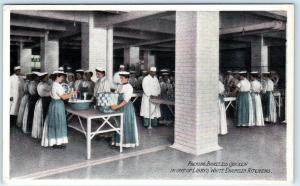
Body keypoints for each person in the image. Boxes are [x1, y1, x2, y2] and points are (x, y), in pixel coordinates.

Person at [41, 71, 76, 148]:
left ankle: (55, 142)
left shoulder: (54, 84)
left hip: (53, 104)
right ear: (57, 77)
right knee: (58, 122)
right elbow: (64, 97)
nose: (63, 78)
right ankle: (57, 143)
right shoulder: (57, 86)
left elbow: (62, 95)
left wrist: (68, 93)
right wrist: (73, 93)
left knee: (55, 122)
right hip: (58, 105)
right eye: (62, 77)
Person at [111, 71, 139, 148]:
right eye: (120, 78)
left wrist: (116, 107)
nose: (121, 79)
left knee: (125, 123)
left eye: (122, 78)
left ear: (127, 78)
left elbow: (126, 100)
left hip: (126, 108)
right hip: (118, 107)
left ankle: (126, 143)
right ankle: (117, 142)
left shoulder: (129, 87)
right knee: (118, 123)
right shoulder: (119, 86)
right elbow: (115, 95)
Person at [32, 72, 52, 139]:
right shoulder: (45, 85)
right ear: (43, 78)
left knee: (41, 117)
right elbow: (52, 89)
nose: (48, 78)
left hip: (40, 101)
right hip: (45, 101)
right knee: (45, 116)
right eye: (46, 77)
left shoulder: (39, 84)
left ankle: (41, 133)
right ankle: (45, 134)